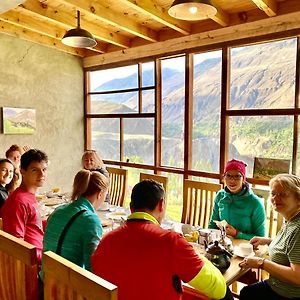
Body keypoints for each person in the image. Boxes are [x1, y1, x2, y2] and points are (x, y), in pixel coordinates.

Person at [92, 179, 231, 300]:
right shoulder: (171, 242)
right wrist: (198, 256)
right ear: (161, 204)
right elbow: (218, 289)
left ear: (131, 207)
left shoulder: (106, 240)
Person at [239, 173, 300, 300]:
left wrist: (261, 263)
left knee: (247, 294)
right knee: (247, 292)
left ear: (298, 199)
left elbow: (297, 277)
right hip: (277, 285)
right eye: (273, 194)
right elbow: (290, 247)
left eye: (283, 194)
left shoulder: (298, 229)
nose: (275, 199)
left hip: (289, 294)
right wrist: (267, 241)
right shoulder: (291, 219)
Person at [42, 169, 109, 272]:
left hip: (46, 277)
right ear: (100, 194)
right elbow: (91, 267)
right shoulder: (90, 220)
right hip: (67, 283)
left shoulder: (58, 210)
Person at [1, 149, 48, 264]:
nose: (42, 174)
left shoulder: (28, 195)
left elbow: (32, 224)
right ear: (22, 171)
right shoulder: (18, 201)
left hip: (42, 252)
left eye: (44, 169)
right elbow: (17, 246)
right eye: (34, 170)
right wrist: (46, 259)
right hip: (34, 265)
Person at [208, 159, 266, 240]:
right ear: (224, 177)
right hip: (222, 244)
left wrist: (237, 234)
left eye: (237, 176)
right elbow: (212, 225)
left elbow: (261, 238)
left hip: (246, 249)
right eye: (228, 175)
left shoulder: (255, 203)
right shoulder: (220, 195)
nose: (232, 180)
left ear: (243, 179)